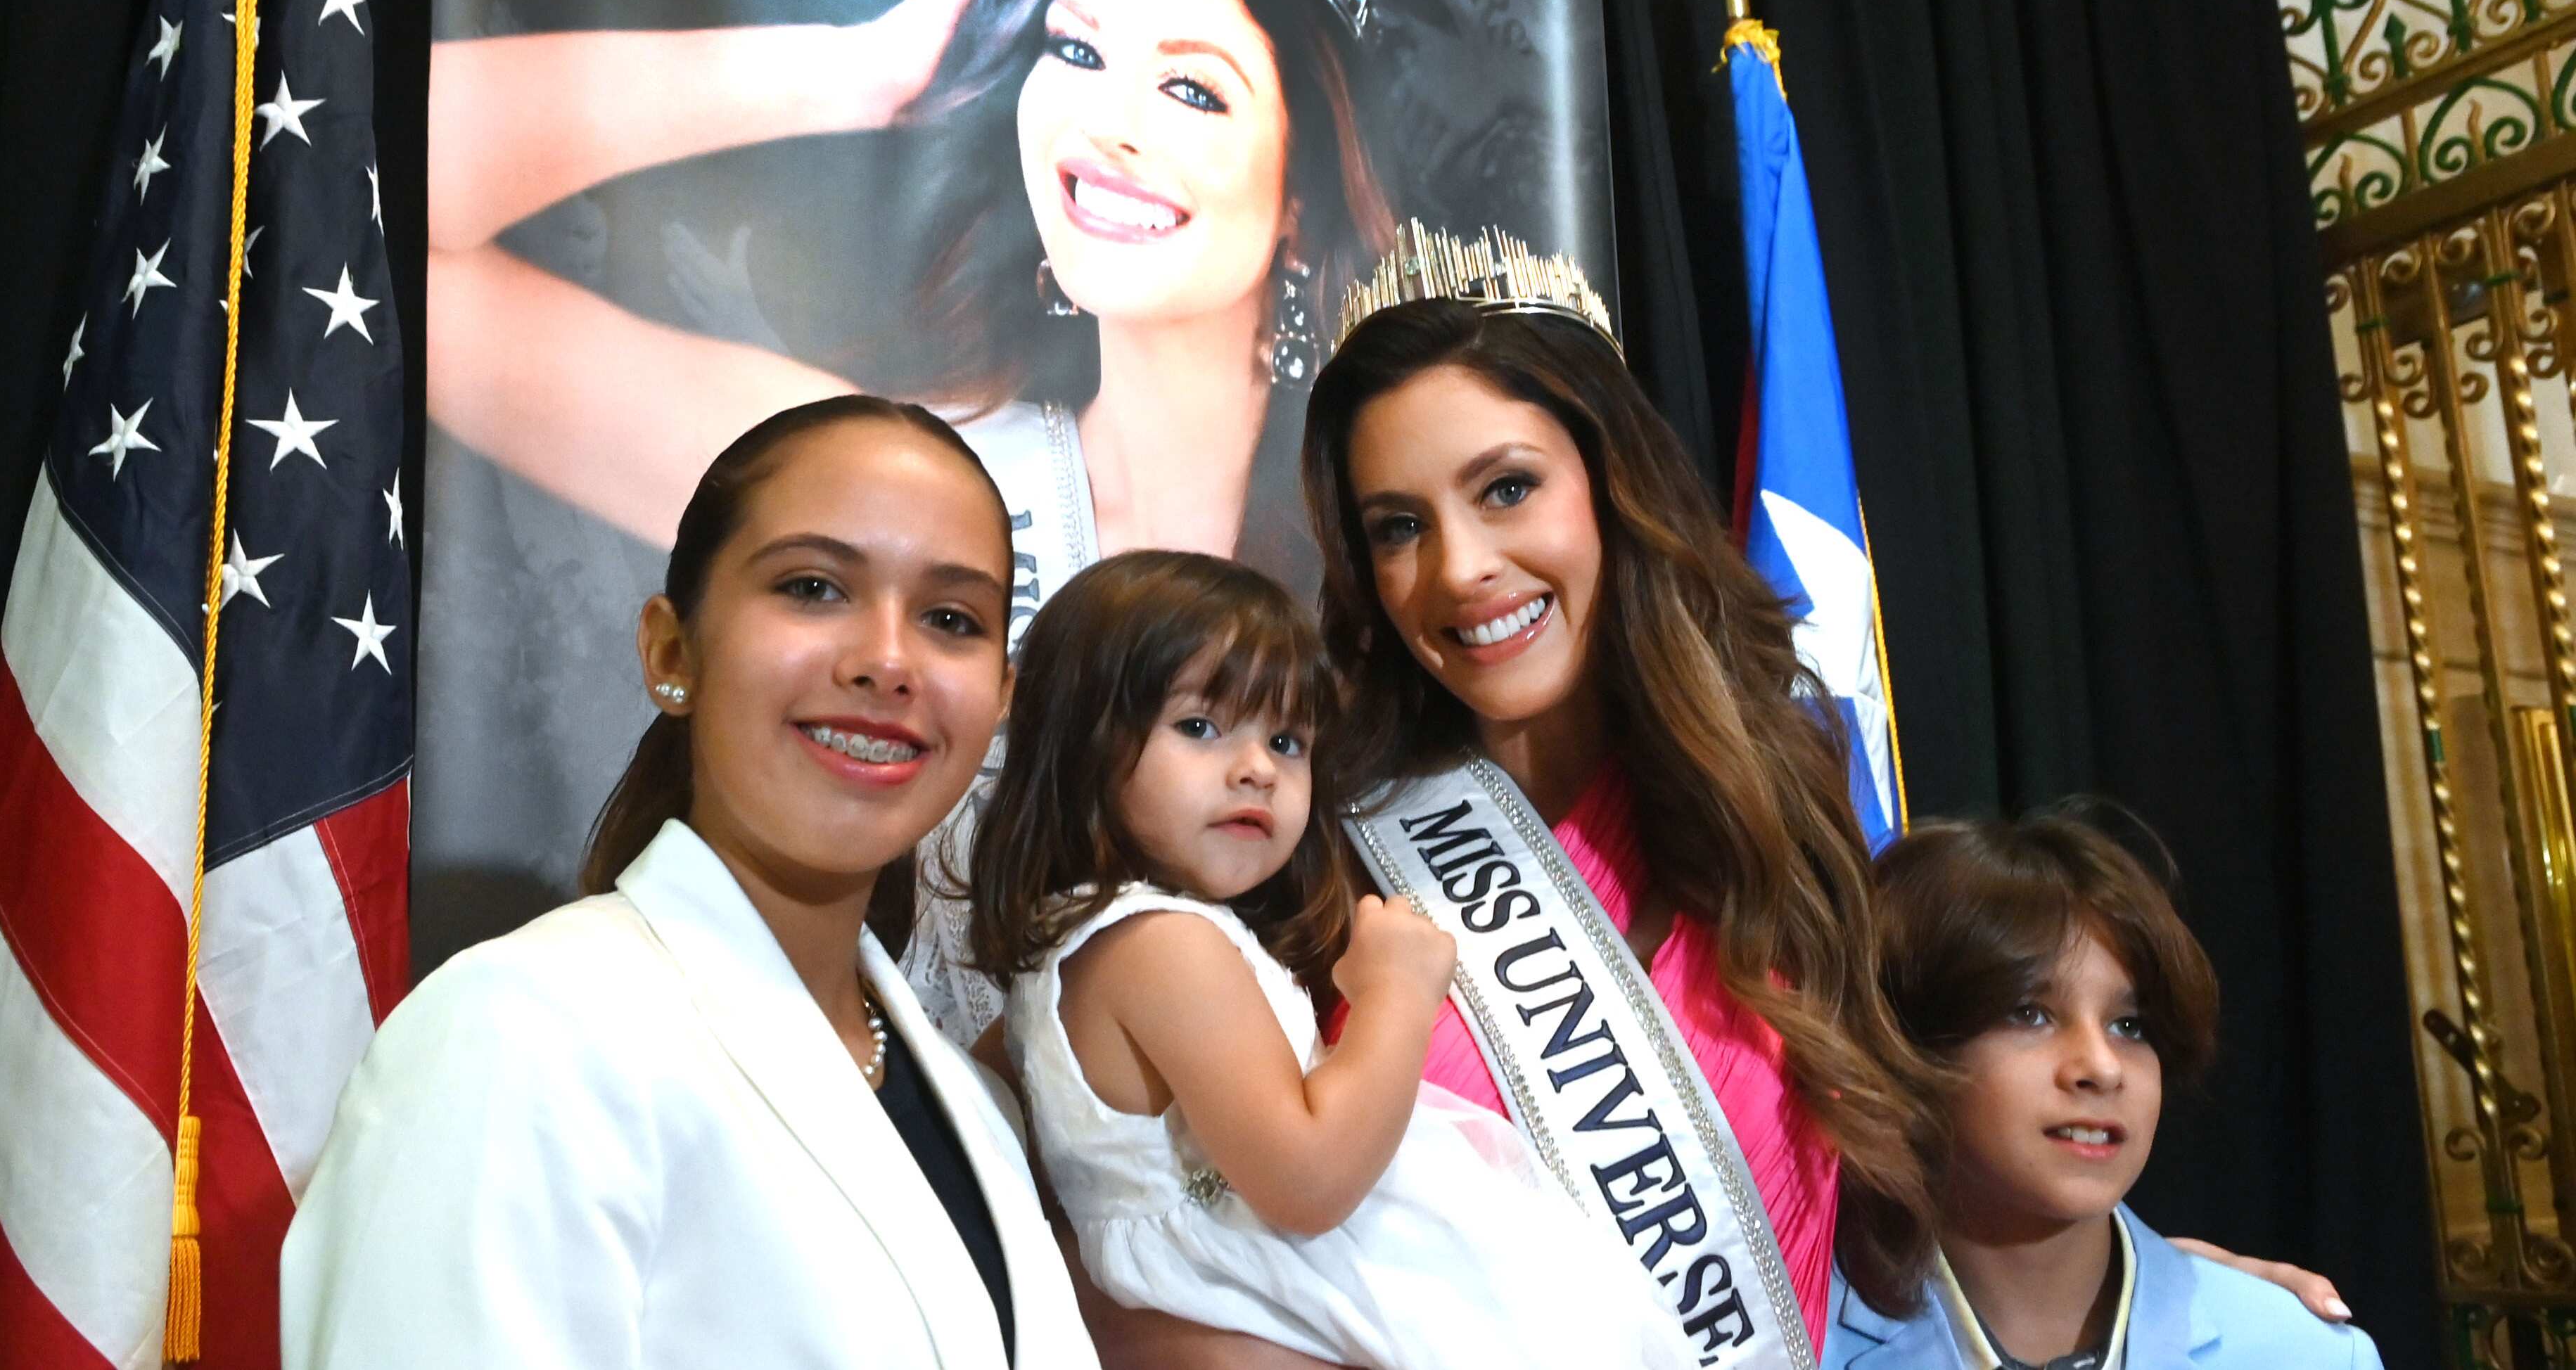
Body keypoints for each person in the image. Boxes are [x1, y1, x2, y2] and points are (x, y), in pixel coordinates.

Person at [281, 397, 1096, 1368]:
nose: (888, 660)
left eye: (950, 617)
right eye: (812, 586)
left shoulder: (972, 1103)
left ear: (999, 697)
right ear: (673, 650)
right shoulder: (516, 1033)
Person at [428, 0, 1390, 584]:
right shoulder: (883, 480)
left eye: (1192, 89)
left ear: (1302, 199)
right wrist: (869, 68)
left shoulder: (1399, 541)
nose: (1108, 125)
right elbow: (388, 212)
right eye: (1079, 52)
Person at [1293, 290, 1940, 1368]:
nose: (1459, 569)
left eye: (1507, 489)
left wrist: (2151, 1278)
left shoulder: (1778, 794)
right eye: (1399, 527)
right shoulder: (1320, 850)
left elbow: (1906, 1168)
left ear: (1610, 486)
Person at [963, 550, 1695, 1369]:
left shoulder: (1080, 945)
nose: (1257, 769)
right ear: (1078, 738)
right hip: (1293, 1298)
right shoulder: (1162, 944)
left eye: (1287, 740)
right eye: (1199, 726)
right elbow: (1309, 1181)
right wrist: (1396, 996)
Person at [1822, 810, 2383, 1369]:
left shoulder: (2306, 1354)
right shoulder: (1782, 1342)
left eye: (2131, 1026)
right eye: (2030, 1014)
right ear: (1902, 1043)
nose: (2101, 1066)